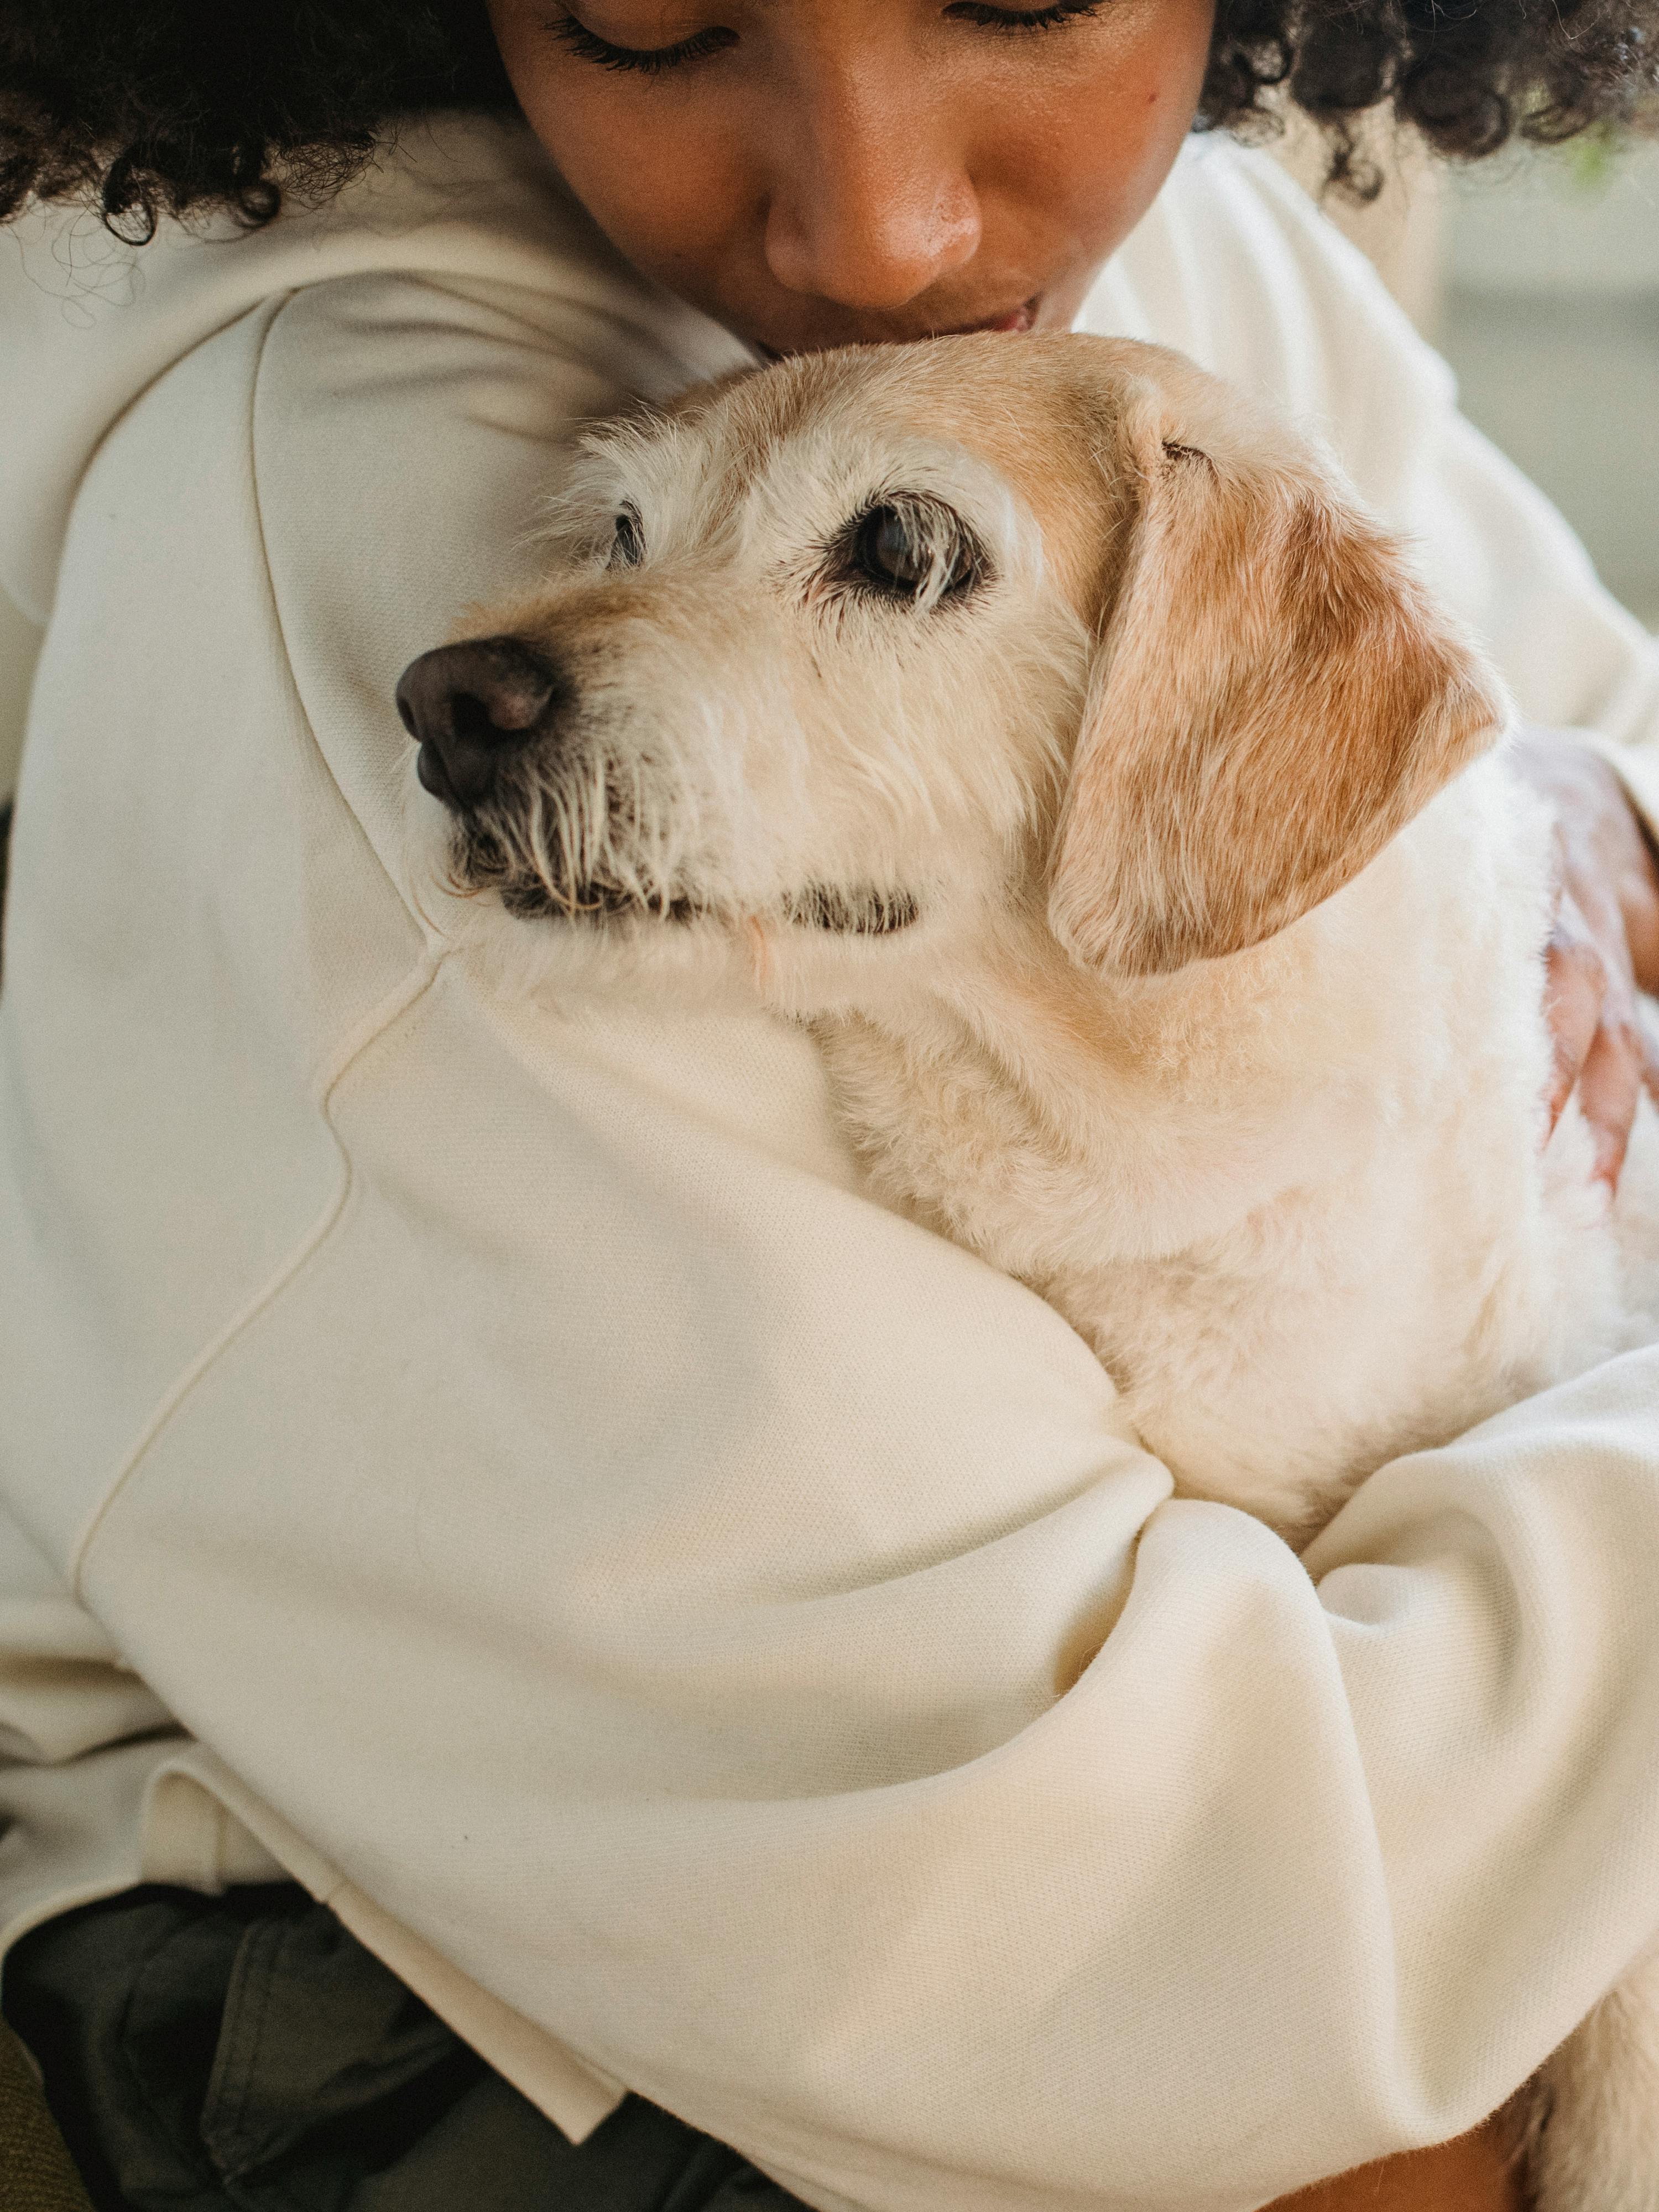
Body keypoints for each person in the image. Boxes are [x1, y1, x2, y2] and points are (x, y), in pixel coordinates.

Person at [2, 3, 1659, 2208]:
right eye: (654, 21)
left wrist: (1566, 833)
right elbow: (1188, 1966)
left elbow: (1586, 741)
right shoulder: (355, 503)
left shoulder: (1196, 261)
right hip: (439, 1998)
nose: (878, 227)